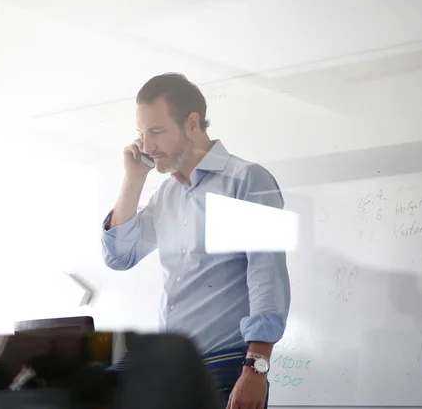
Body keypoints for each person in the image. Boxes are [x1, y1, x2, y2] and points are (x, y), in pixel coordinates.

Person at [102, 73, 291, 409]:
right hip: (173, 369)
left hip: (228, 366)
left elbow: (267, 277)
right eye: (141, 135)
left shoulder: (246, 180)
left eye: (157, 131)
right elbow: (119, 255)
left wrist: (256, 369)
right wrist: (133, 178)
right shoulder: (166, 195)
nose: (146, 147)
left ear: (191, 123)